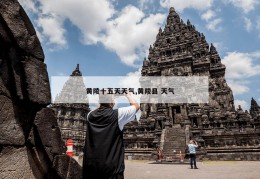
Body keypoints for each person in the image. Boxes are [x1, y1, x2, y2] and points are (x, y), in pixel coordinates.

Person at [82, 91, 139, 179]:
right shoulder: (118, 115)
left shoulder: (90, 115)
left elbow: (99, 108)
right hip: (111, 170)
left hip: (91, 169)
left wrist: (106, 98)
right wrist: (128, 95)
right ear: (111, 102)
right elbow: (136, 106)